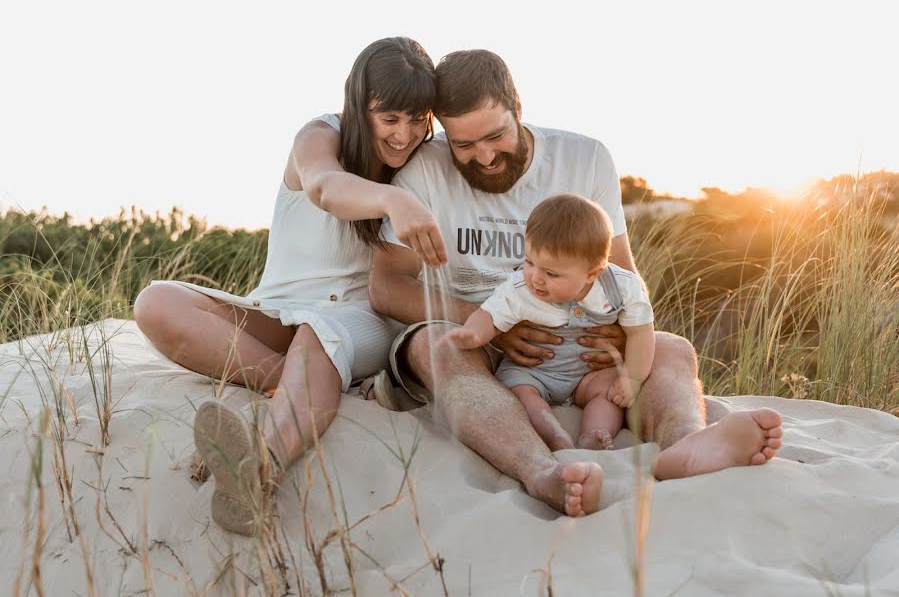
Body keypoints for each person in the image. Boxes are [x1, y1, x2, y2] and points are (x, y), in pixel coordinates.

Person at [368, 49, 784, 517]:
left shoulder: (584, 158)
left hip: (580, 342)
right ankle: (542, 473)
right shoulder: (423, 171)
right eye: (463, 145)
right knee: (435, 347)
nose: (483, 156)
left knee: (671, 349)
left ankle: (688, 446)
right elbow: (386, 286)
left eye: (495, 135)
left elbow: (621, 274)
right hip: (481, 344)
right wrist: (490, 325)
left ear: (517, 107)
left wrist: (615, 332)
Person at [133, 37, 447, 536]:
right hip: (279, 309)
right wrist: (393, 201)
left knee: (317, 336)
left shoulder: (422, 165)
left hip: (357, 320)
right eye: (391, 119)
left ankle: (259, 470)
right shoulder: (320, 136)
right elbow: (323, 186)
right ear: (359, 105)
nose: (405, 135)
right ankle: (291, 383)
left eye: (417, 120)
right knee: (156, 301)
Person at [444, 193, 655, 452]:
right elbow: (488, 314)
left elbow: (641, 332)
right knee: (520, 392)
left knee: (609, 392)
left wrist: (632, 378)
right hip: (534, 372)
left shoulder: (622, 288)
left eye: (551, 273)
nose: (536, 278)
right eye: (529, 262)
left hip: (587, 375)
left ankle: (594, 435)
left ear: (592, 273)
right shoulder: (520, 289)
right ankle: (554, 435)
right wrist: (473, 333)